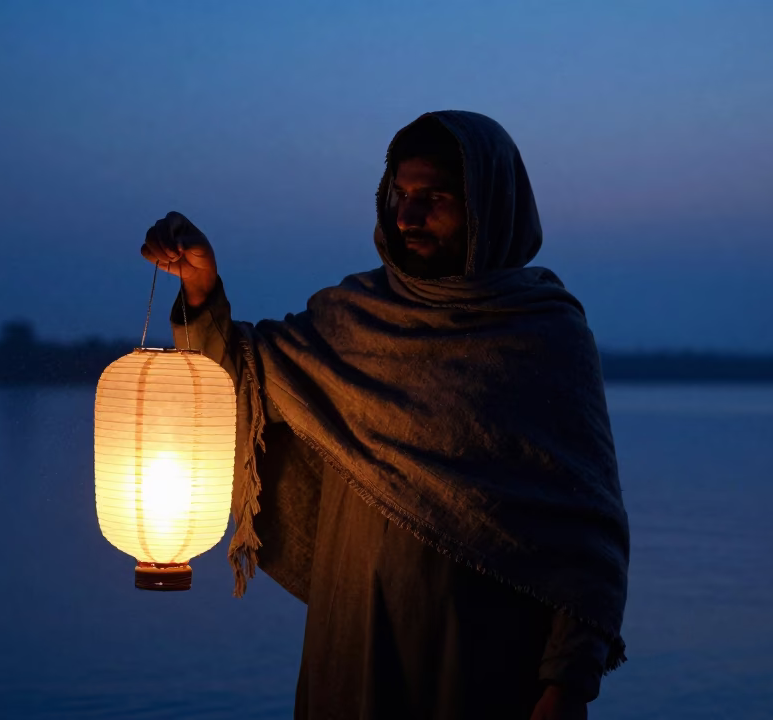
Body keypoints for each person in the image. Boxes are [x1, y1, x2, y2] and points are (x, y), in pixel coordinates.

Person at [141, 111, 630, 720]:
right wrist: (200, 290)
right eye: (399, 195)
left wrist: (568, 680)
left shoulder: (542, 336)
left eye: (434, 198)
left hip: (485, 665)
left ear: (490, 205)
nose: (406, 217)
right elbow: (239, 382)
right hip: (350, 651)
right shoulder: (351, 320)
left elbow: (587, 532)